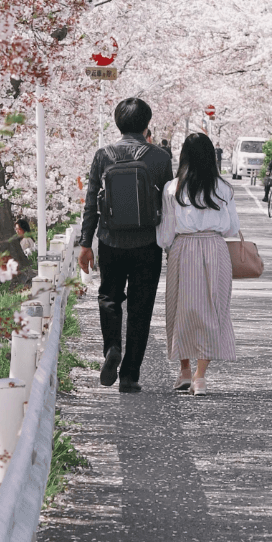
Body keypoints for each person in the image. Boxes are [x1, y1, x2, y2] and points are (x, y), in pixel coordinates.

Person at [79, 98, 173, 392]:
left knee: (109, 297)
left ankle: (111, 349)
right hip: (148, 243)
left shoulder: (103, 155)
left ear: (117, 123)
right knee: (140, 308)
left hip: (110, 241)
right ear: (147, 124)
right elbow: (169, 205)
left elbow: (91, 202)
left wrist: (85, 243)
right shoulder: (159, 157)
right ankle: (130, 376)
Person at [157, 132, 239, 396]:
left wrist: (169, 246)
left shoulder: (173, 187)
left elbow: (166, 231)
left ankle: (183, 371)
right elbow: (231, 229)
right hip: (215, 248)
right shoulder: (223, 188)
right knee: (214, 311)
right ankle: (199, 377)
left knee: (181, 309)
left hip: (183, 248)